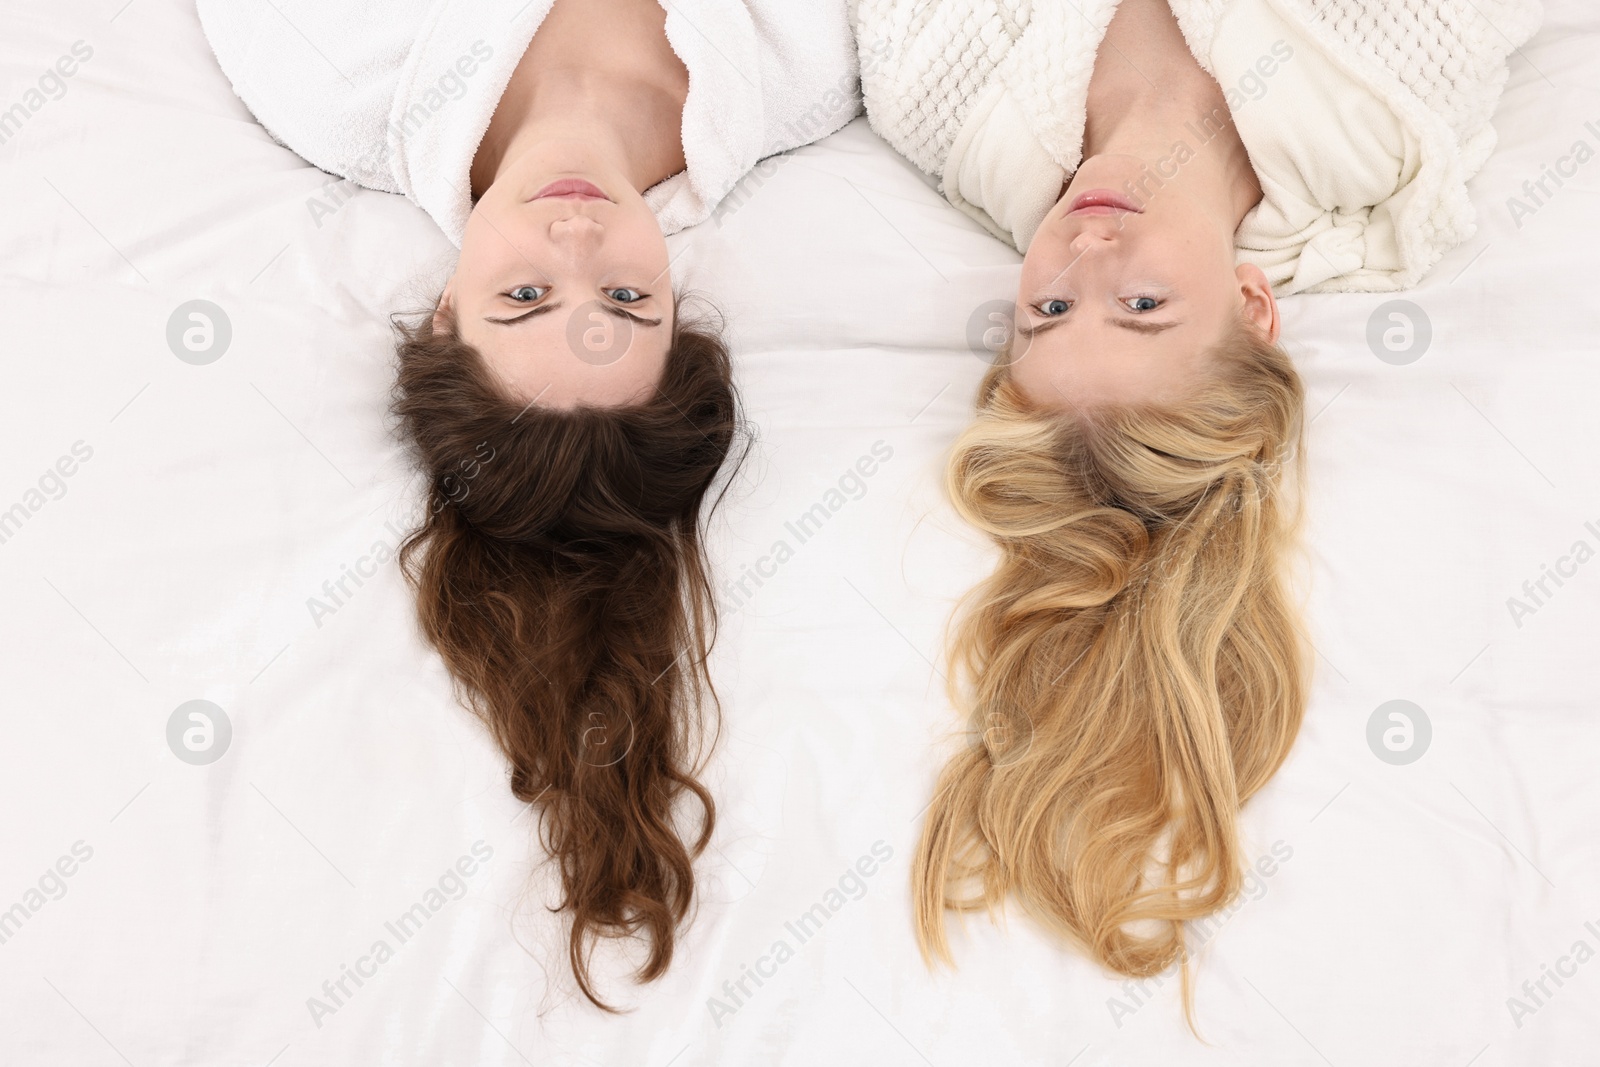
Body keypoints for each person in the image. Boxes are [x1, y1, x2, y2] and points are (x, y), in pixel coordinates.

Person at [858, 0, 1539, 1027]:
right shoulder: (1394, 94)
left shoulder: (937, 95)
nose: (1083, 255)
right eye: (1140, 307)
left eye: (1046, 311)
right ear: (1255, 309)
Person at [199, 0, 860, 1009]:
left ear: (444, 313)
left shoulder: (325, 70)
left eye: (524, 297)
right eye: (627, 302)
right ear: (676, 310)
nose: (578, 235)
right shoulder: (802, 64)